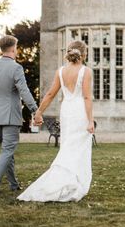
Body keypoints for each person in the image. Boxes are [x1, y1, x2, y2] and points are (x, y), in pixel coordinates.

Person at [17, 40, 94, 202]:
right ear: (84, 54)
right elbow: (87, 97)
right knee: (77, 149)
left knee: (68, 145)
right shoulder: (86, 71)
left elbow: (50, 94)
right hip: (79, 112)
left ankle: (67, 182)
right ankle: (68, 183)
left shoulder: (60, 71)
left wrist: (38, 112)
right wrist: (90, 120)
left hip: (66, 111)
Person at [0, 35, 39, 195]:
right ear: (14, 48)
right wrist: (35, 110)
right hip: (10, 116)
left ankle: (13, 184)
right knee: (7, 150)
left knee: (6, 150)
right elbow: (24, 91)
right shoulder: (16, 68)